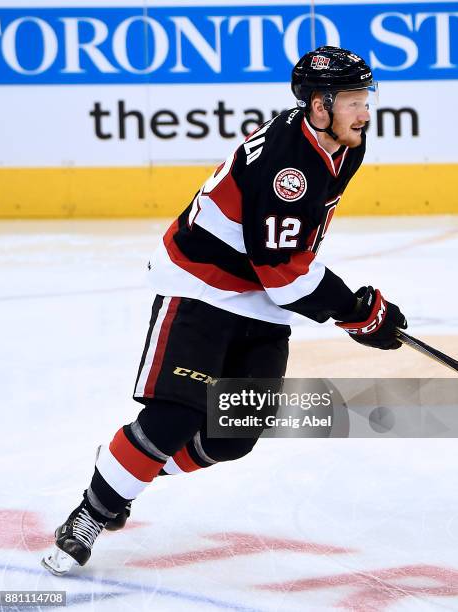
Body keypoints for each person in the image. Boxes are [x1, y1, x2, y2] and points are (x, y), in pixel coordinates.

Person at [42, 45, 407, 576]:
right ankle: (93, 511)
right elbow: (283, 272)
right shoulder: (290, 167)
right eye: (353, 100)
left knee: (234, 434)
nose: (365, 112)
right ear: (319, 105)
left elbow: (288, 256)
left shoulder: (347, 144)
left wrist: (356, 310)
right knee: (179, 413)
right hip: (201, 283)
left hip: (259, 294)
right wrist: (354, 311)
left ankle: (123, 466)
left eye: (364, 99)